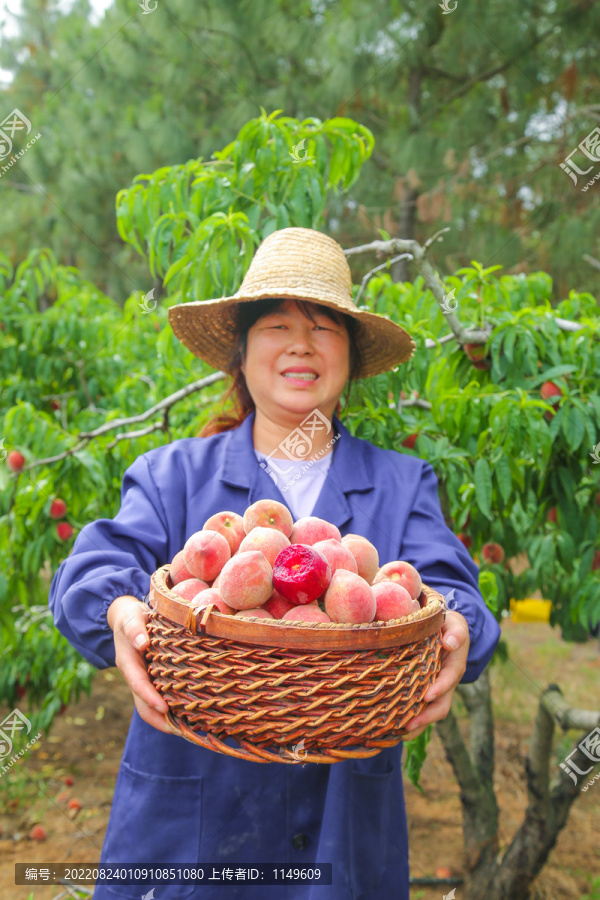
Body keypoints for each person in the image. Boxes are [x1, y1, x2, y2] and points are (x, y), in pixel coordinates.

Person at [48, 227, 501, 900]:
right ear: (241, 350)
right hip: (189, 841)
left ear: (350, 354)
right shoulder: (173, 476)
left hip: (339, 840)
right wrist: (120, 613)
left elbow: (455, 593)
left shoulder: (402, 483)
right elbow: (92, 573)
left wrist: (457, 629)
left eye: (324, 327)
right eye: (277, 325)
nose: (301, 343)